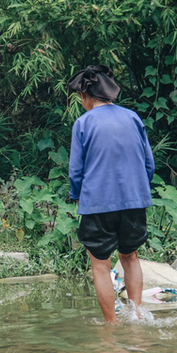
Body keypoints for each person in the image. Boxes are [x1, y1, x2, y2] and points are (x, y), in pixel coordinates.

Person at [66, 65, 155, 323]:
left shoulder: (83, 123)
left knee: (100, 264)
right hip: (134, 200)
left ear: (85, 96)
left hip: (98, 203)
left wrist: (77, 195)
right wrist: (138, 191)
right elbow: (148, 163)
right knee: (130, 256)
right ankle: (136, 315)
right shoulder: (132, 118)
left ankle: (111, 327)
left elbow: (76, 171)